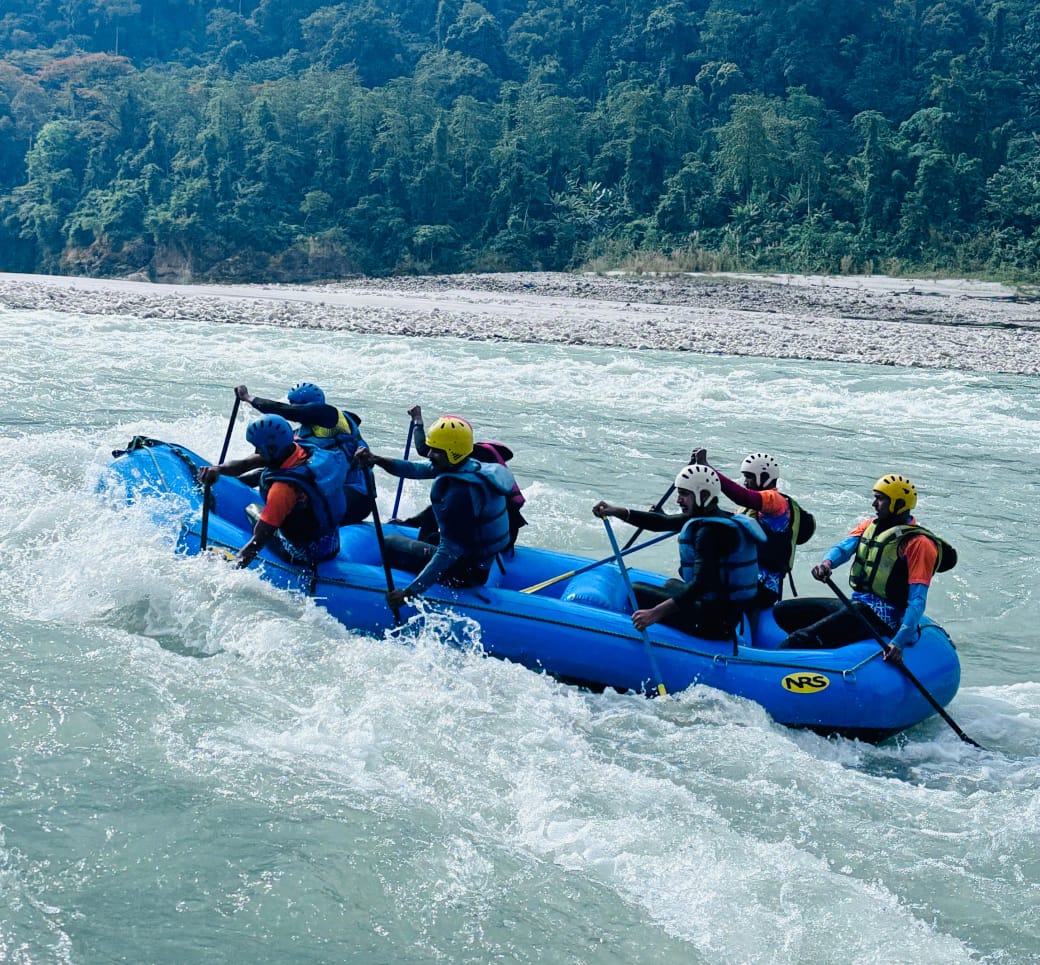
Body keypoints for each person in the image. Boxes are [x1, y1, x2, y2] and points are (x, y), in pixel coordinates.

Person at [773, 473, 956, 661]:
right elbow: (844, 548)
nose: (874, 504)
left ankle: (795, 653)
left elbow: (917, 600)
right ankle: (824, 649)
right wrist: (826, 563)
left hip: (885, 618)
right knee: (782, 612)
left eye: (880, 499)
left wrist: (898, 642)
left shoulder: (919, 544)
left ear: (899, 505)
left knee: (800, 638)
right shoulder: (871, 525)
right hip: (859, 604)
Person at [357, 415, 516, 608]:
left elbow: (449, 552)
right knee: (430, 531)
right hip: (479, 562)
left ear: (453, 452)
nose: (429, 453)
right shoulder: (469, 467)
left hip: (463, 572)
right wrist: (376, 459)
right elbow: (413, 469)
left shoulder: (459, 494)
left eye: (436, 451)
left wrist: (409, 593)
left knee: (389, 544)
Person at [593, 464, 766, 641]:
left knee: (635, 591)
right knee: (671, 584)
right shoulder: (719, 517)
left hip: (712, 623)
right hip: (724, 614)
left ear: (703, 495)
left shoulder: (709, 533)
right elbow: (662, 522)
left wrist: (654, 613)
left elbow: (702, 584)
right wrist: (615, 511)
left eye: (684, 494)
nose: (678, 500)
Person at [198, 414, 346, 568]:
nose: (256, 450)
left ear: (272, 448)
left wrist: (235, 564)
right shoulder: (299, 449)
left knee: (252, 509)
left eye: (259, 448)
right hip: (332, 542)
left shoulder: (283, 490)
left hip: (304, 553)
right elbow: (246, 463)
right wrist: (218, 469)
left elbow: (260, 537)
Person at [234, 382, 374, 525]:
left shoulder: (331, 416)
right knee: (276, 472)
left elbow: (287, 411)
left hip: (356, 496)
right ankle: (232, 484)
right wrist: (229, 477)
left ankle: (277, 530)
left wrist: (248, 398)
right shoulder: (302, 434)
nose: (293, 407)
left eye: (296, 404)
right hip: (329, 491)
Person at [393, 404, 527, 552]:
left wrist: (417, 420)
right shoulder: (475, 455)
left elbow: (422, 450)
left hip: (487, 542)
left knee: (437, 522)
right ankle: (414, 530)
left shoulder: (465, 466)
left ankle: (420, 556)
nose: (431, 453)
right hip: (506, 532)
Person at [703, 450, 815, 607]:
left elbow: (741, 496)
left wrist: (709, 470)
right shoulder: (752, 509)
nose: (745, 482)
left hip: (764, 587)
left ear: (764, 477)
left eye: (748, 477)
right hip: (744, 577)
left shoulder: (776, 501)